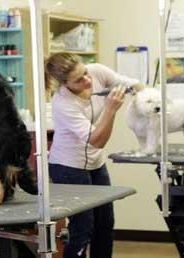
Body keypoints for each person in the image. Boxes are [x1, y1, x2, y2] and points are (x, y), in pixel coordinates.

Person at [45, 53, 143, 258]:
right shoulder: (63, 103)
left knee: (105, 223)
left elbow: (134, 84)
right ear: (64, 84)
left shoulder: (97, 71)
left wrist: (145, 98)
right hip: (68, 166)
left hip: (96, 163)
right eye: (78, 80)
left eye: (85, 73)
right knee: (83, 227)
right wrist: (110, 110)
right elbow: (97, 140)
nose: (87, 80)